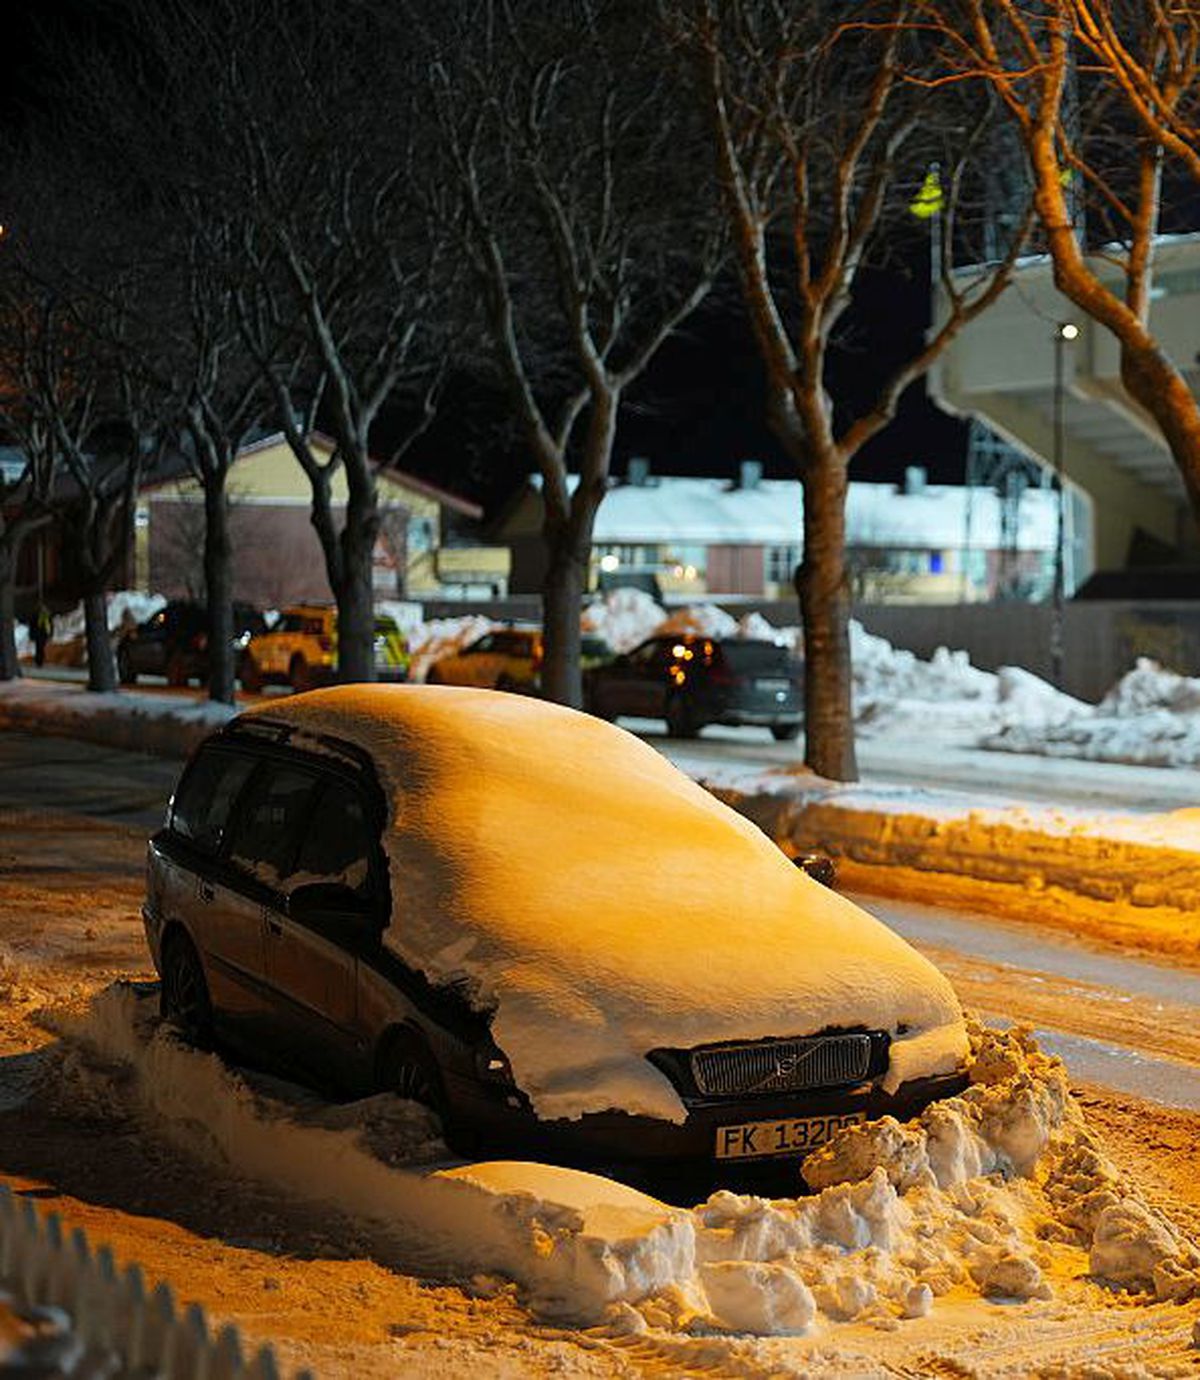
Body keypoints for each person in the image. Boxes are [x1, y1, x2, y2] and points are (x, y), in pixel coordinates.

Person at [31, 603, 51, 668]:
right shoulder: (37, 617)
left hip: (43, 635)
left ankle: (40, 661)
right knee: (39, 648)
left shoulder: (46, 617)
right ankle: (39, 661)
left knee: (40, 648)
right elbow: (33, 626)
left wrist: (49, 635)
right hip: (39, 635)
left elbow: (49, 627)